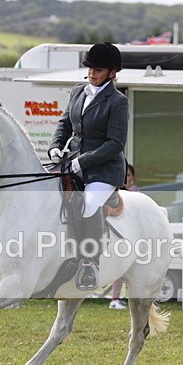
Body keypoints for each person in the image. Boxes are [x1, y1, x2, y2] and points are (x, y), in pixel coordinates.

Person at [48, 42, 128, 291]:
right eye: (90, 68)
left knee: (88, 204)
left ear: (112, 72)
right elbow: (64, 124)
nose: (92, 73)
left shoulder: (118, 101)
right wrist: (55, 146)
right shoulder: (78, 91)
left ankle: (90, 263)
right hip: (72, 161)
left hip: (104, 169)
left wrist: (81, 161)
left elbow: (115, 144)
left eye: (98, 69)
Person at [109, 164, 139, 309]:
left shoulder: (136, 193)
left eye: (128, 175)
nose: (126, 178)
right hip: (121, 234)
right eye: (124, 175)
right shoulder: (116, 194)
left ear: (133, 177)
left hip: (134, 235)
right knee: (120, 269)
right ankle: (115, 299)